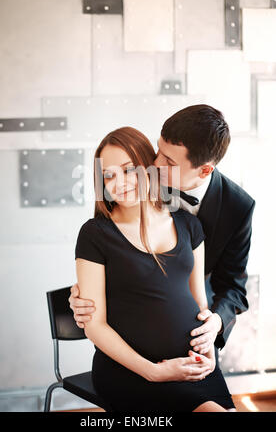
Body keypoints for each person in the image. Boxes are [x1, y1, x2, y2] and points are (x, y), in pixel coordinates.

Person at [73, 122, 238, 412]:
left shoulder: (189, 225)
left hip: (193, 365)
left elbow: (200, 302)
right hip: (132, 372)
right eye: (108, 176)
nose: (119, 182)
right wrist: (153, 371)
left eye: (128, 170)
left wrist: (209, 350)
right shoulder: (95, 234)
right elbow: (95, 326)